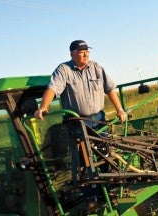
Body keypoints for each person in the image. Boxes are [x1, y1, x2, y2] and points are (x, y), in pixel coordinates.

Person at [34, 39, 127, 186]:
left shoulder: (96, 67)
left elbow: (110, 89)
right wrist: (43, 107)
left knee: (106, 151)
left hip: (98, 118)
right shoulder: (64, 70)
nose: (86, 55)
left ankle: (109, 184)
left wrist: (120, 110)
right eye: (82, 52)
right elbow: (53, 88)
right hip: (77, 121)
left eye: (87, 52)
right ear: (72, 54)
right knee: (83, 159)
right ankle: (91, 194)